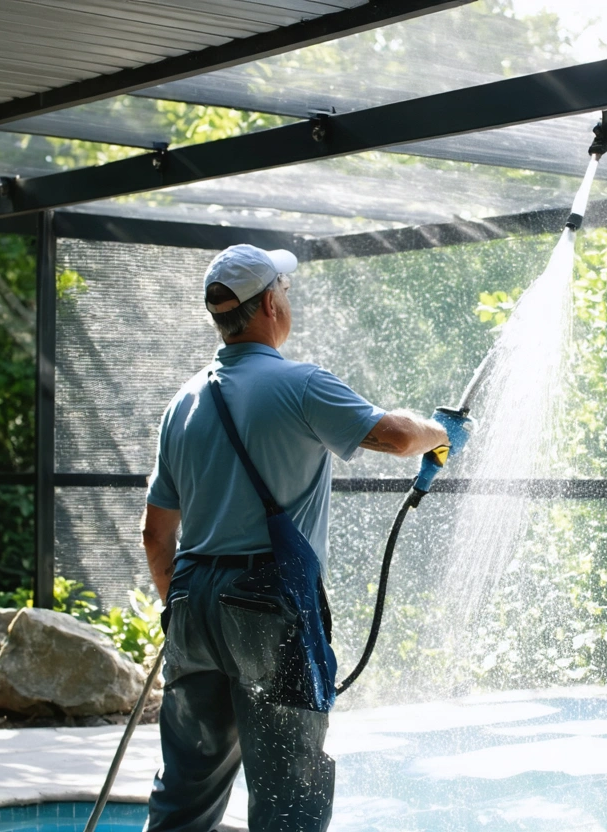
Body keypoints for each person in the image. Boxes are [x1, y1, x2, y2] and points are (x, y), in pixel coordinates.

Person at [140, 244, 452, 831]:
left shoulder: (183, 401)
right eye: (285, 287)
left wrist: (183, 615)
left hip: (190, 603)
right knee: (289, 796)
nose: (289, 297)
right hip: (266, 609)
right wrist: (440, 431)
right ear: (266, 307)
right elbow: (394, 437)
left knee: (184, 794)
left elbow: (157, 536)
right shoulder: (298, 384)